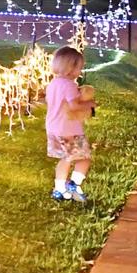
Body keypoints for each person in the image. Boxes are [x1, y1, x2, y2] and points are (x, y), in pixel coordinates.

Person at [45, 46, 96, 202]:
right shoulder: (69, 85)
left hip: (53, 127)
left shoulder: (53, 83)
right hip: (69, 129)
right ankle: (74, 184)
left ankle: (59, 190)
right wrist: (91, 105)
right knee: (84, 158)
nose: (80, 71)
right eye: (79, 68)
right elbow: (74, 106)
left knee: (66, 159)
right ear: (71, 68)